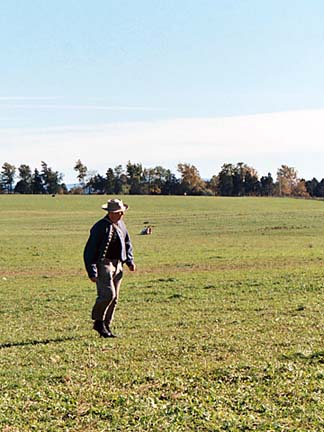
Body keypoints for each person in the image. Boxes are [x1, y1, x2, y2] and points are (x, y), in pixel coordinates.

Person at [83, 198, 136, 338]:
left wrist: (130, 260)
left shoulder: (121, 224)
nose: (122, 215)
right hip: (103, 264)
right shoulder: (100, 227)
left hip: (118, 264)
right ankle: (98, 322)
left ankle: (107, 325)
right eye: (119, 212)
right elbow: (89, 250)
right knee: (108, 294)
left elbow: (127, 243)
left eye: (122, 212)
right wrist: (92, 270)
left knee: (115, 298)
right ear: (111, 213)